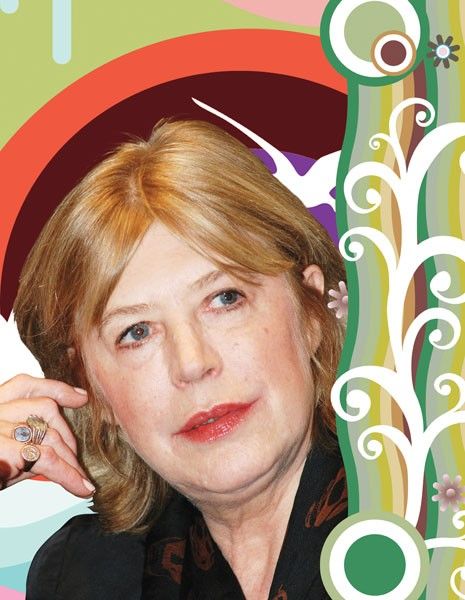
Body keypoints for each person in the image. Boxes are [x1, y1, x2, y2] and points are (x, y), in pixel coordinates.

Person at [1, 118, 347, 599]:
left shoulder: (428, 521)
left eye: (225, 299)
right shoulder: (82, 574)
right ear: (92, 389)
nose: (191, 364)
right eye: (136, 333)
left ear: (311, 315)